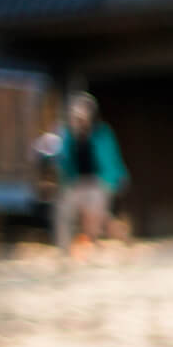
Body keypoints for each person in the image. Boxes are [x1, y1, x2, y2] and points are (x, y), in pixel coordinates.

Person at [50, 92, 127, 256]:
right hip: (75, 182)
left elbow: (112, 159)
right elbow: (60, 158)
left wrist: (117, 179)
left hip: (98, 181)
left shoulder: (102, 133)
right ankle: (64, 251)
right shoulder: (69, 136)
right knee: (63, 209)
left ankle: (95, 243)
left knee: (95, 214)